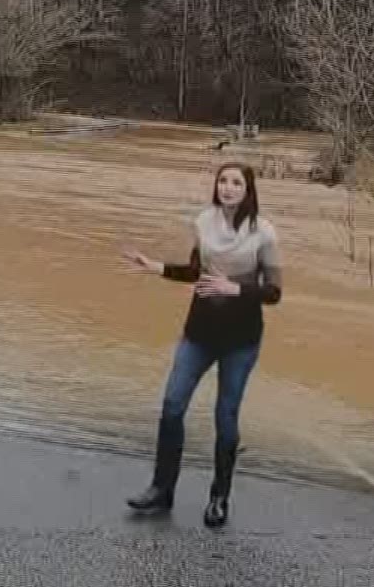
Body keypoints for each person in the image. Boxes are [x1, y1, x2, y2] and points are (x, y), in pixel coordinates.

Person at [120, 161, 283, 527]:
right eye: (222, 181)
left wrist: (235, 288)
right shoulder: (203, 222)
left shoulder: (265, 234)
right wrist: (156, 267)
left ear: (248, 189)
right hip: (200, 332)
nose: (227, 188)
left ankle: (219, 498)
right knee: (172, 405)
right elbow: (196, 272)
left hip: (240, 339)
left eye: (236, 182)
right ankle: (161, 489)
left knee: (225, 418)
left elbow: (274, 293)